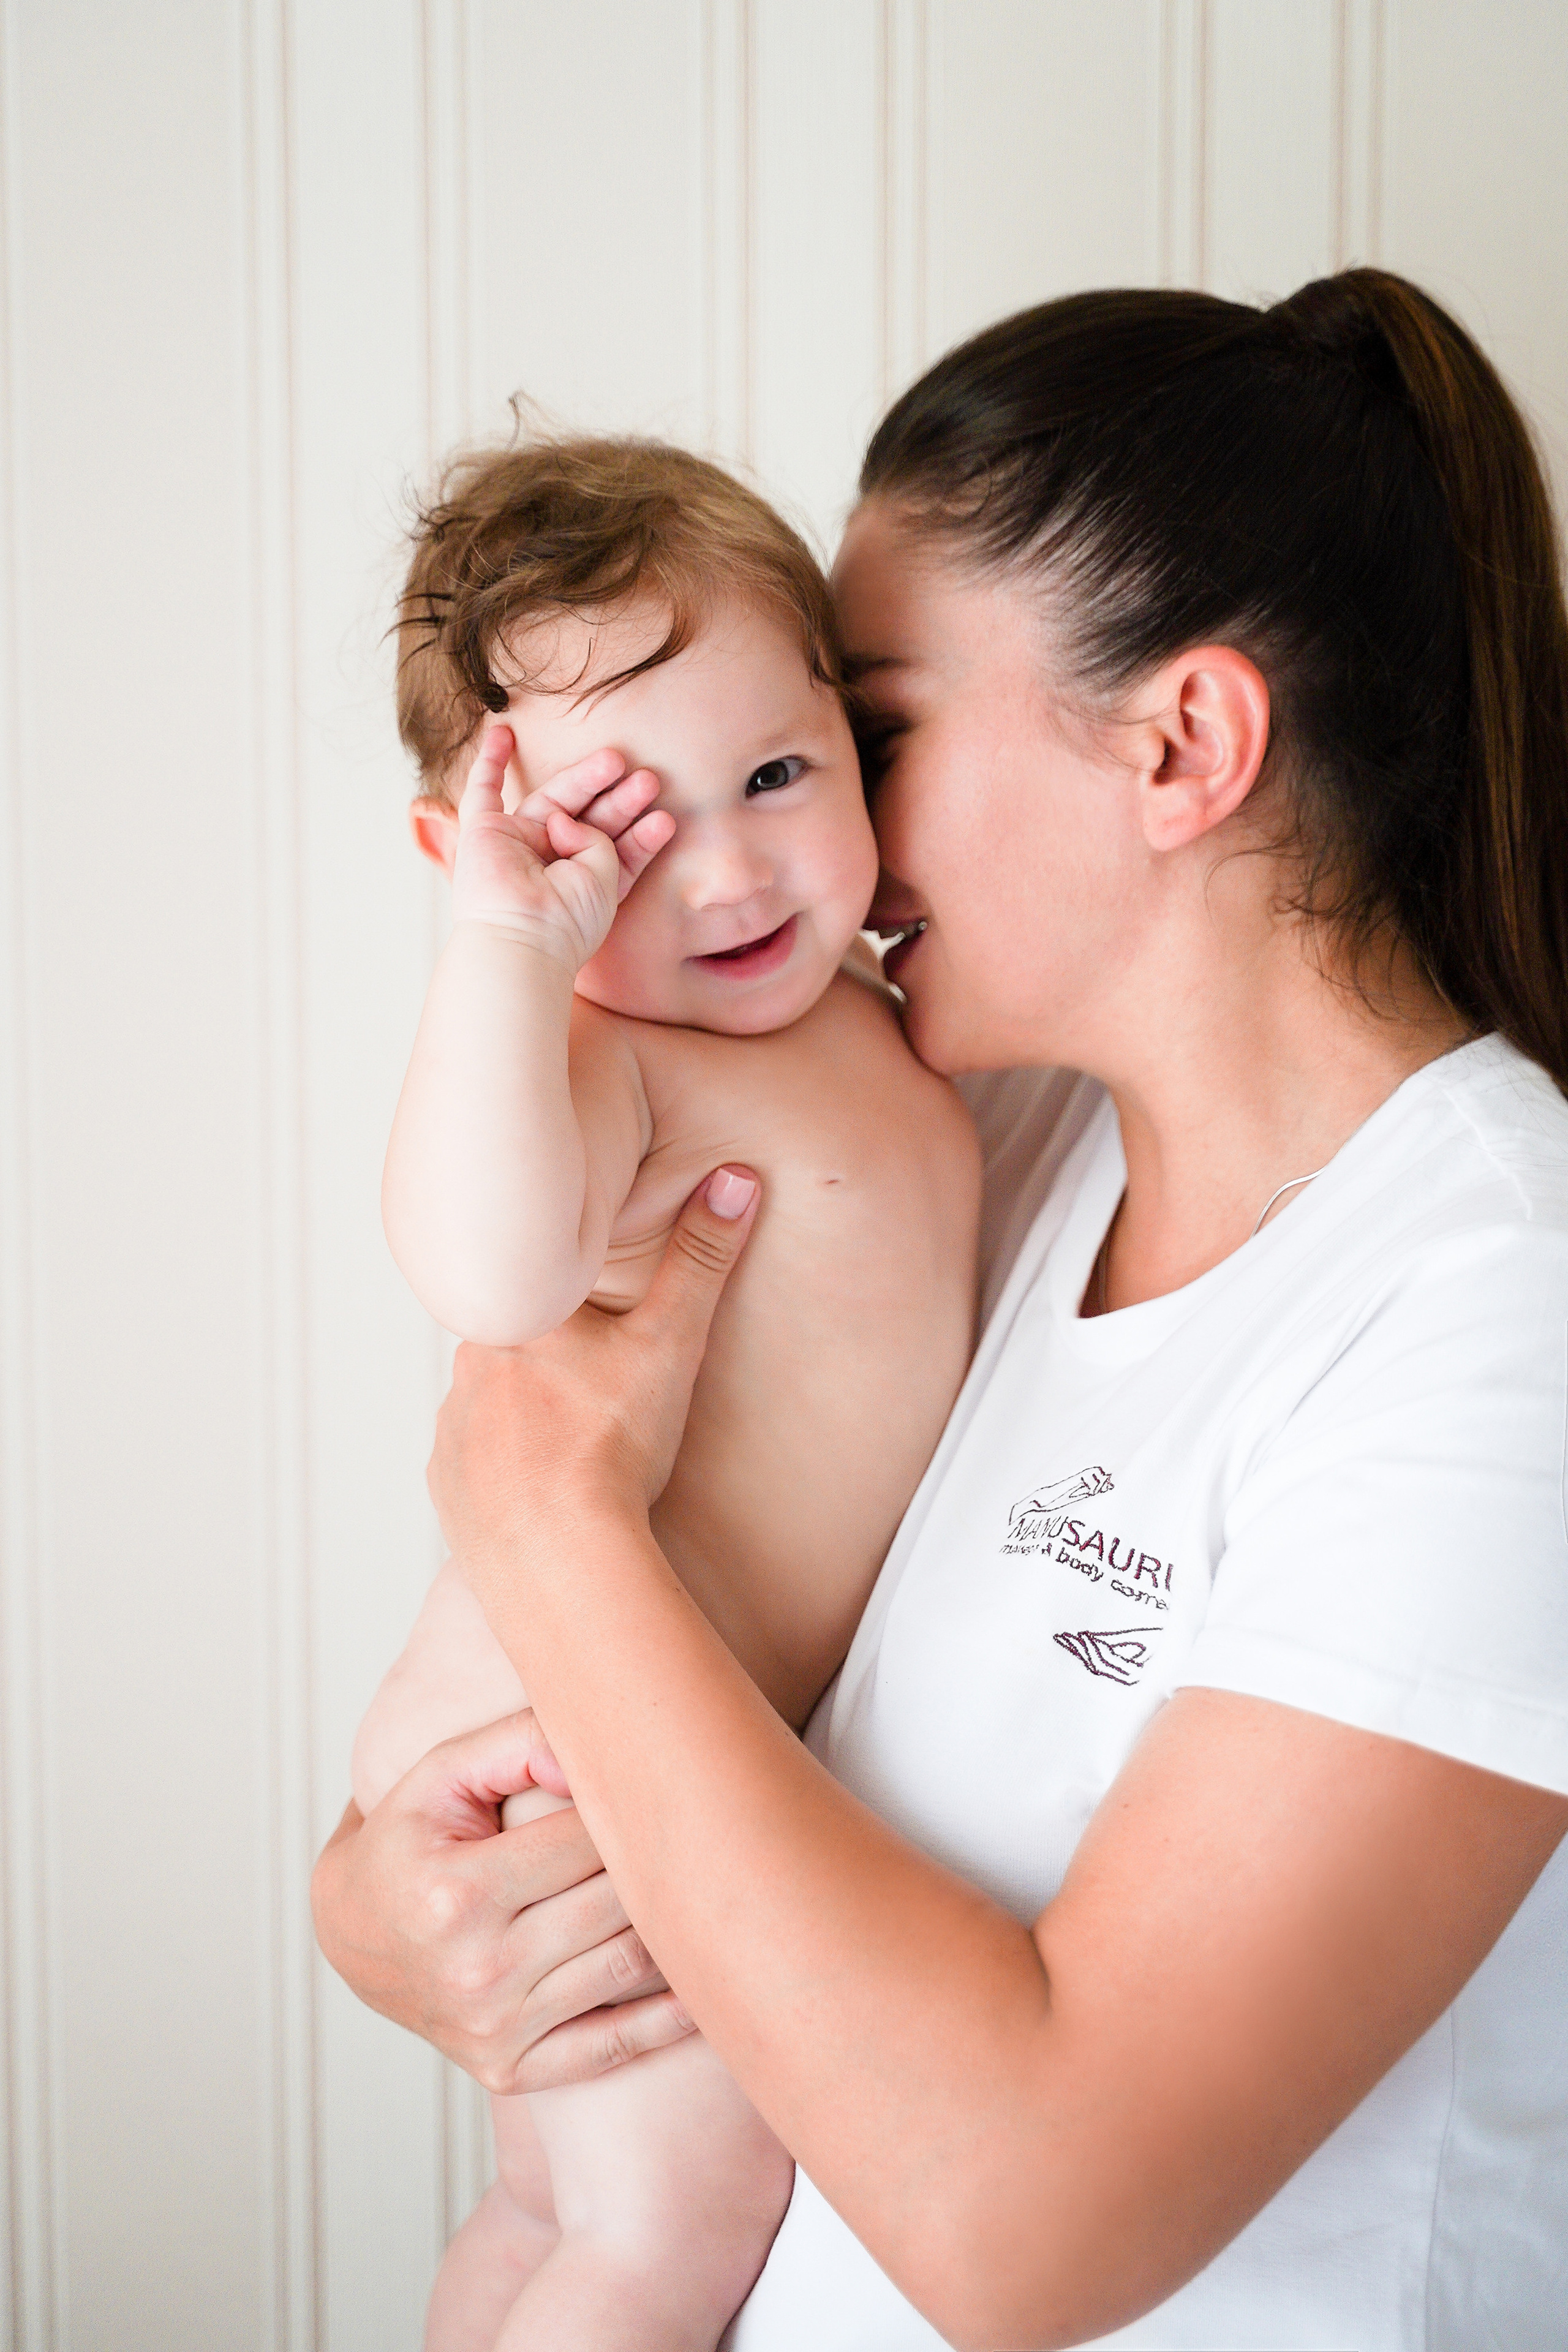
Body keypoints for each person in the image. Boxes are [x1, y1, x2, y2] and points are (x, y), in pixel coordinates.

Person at [314, 270, 1568, 2350]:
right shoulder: (994, 1149)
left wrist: (550, 1526)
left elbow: (1028, 2237)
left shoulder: (1497, 1309)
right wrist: (389, 1912)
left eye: (859, 734)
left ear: (1184, 743)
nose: (815, 843)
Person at [354, 434, 979, 2349]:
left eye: (780, 775)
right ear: (498, 854)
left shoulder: (882, 1015)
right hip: (565, 1752)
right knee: (674, 2225)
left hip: (628, 1752)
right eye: (616, 836)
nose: (722, 870)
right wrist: (504, 955)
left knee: (551, 2214)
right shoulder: (616, 1057)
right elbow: (488, 1269)